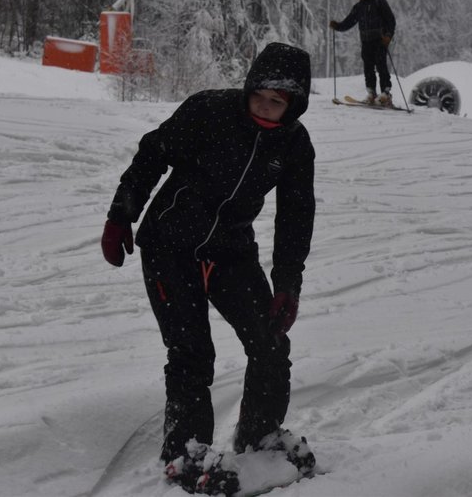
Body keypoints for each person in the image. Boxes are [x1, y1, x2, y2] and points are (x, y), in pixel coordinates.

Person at [100, 42, 316, 492]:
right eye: (258, 95)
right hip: (169, 246)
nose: (264, 108)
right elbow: (152, 153)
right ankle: (186, 452)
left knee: (270, 342)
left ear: (293, 106)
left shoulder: (294, 144)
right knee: (192, 353)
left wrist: (287, 285)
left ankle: (260, 435)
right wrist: (122, 213)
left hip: (231, 250)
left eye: (276, 103)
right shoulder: (210, 111)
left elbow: (296, 215)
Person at [329, 0, 397, 105]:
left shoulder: (380, 3)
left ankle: (386, 94)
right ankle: (371, 93)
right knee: (368, 68)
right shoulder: (358, 7)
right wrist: (337, 26)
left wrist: (388, 36)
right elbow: (349, 22)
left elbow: (391, 21)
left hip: (379, 41)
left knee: (381, 66)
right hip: (366, 42)